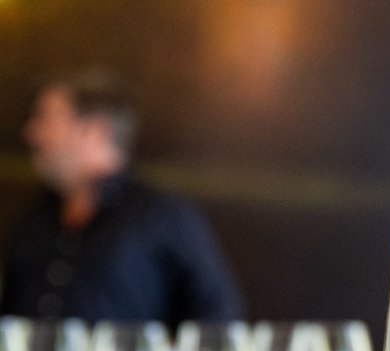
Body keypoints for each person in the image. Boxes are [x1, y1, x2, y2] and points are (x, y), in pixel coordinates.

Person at [0, 69, 244, 325]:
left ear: (94, 131)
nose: (32, 133)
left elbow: (218, 313)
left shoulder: (162, 215)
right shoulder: (31, 217)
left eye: (46, 120)